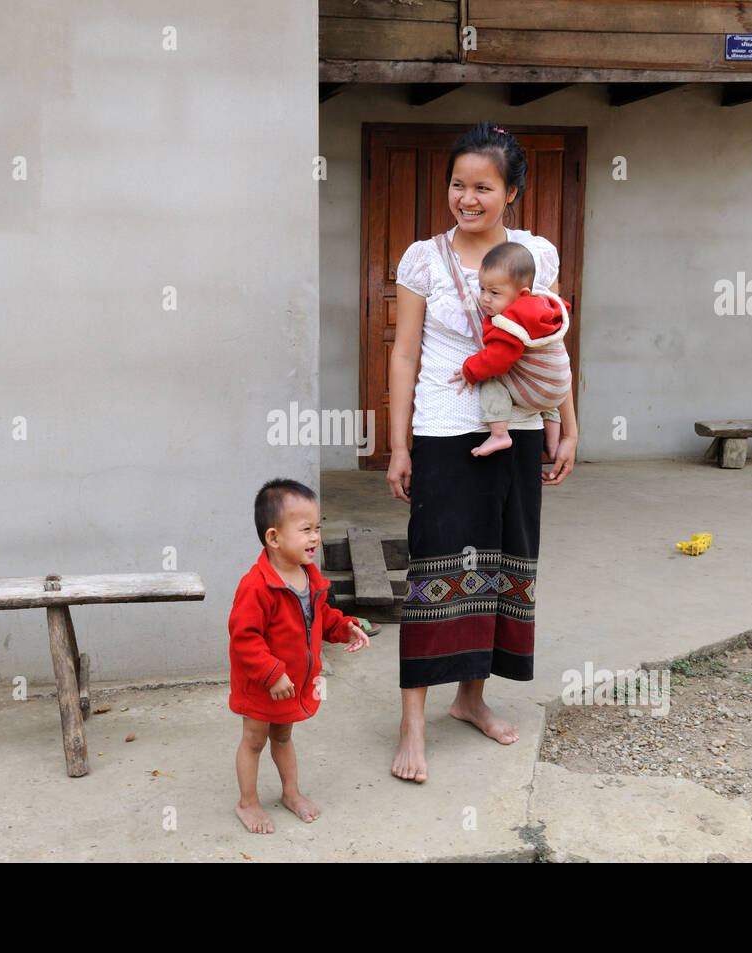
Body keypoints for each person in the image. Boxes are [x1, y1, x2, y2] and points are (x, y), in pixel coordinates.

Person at [387, 121, 577, 783]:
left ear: (512, 192)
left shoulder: (534, 256)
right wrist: (398, 442)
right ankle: (413, 721)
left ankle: (471, 698)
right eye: (458, 184)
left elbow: (548, 343)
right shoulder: (422, 258)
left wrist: (565, 424)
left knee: (501, 564)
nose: (467, 198)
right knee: (434, 568)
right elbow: (405, 352)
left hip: (518, 428)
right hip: (444, 428)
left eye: (483, 187)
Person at [227, 478, 370, 833]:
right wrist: (272, 674)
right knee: (254, 740)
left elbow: (320, 618)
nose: (315, 537)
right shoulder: (256, 585)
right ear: (273, 538)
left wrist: (345, 627)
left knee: (284, 737)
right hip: (263, 684)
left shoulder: (310, 576)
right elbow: (243, 638)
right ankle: (248, 802)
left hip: (291, 685)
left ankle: (291, 793)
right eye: (306, 529)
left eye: (317, 528)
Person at [446, 241, 572, 458]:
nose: (485, 298)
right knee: (548, 404)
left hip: (536, 391)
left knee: (492, 381)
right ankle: (552, 444)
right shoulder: (545, 305)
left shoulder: (510, 323)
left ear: (522, 294)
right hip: (559, 389)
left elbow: (497, 360)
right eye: (482, 288)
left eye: (494, 293)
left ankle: (499, 434)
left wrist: (470, 370)